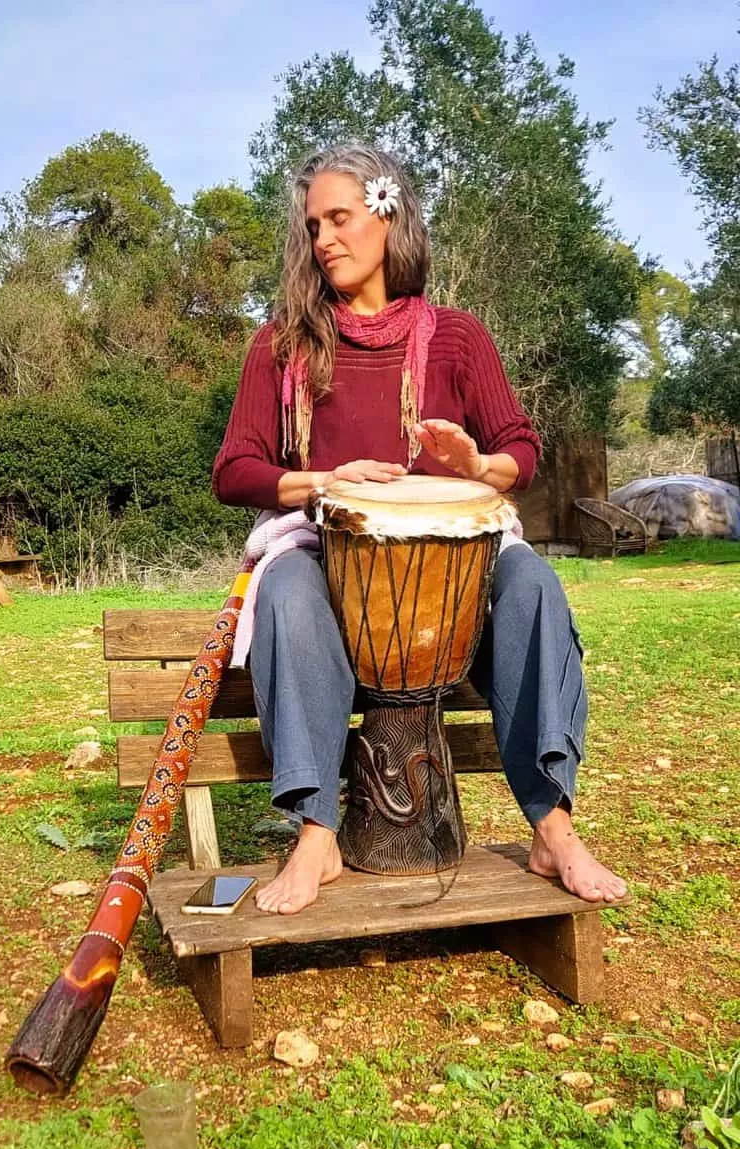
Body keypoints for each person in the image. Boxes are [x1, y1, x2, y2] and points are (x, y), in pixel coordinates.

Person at [213, 144, 627, 916]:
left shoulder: (457, 338)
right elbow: (235, 469)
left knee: (533, 582)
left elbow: (521, 448)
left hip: (454, 576)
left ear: (388, 215)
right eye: (313, 225)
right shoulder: (282, 345)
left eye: (340, 217)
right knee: (288, 589)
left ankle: (553, 827)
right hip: (326, 554)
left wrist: (478, 464)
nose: (323, 238)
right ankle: (316, 834)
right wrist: (323, 481)